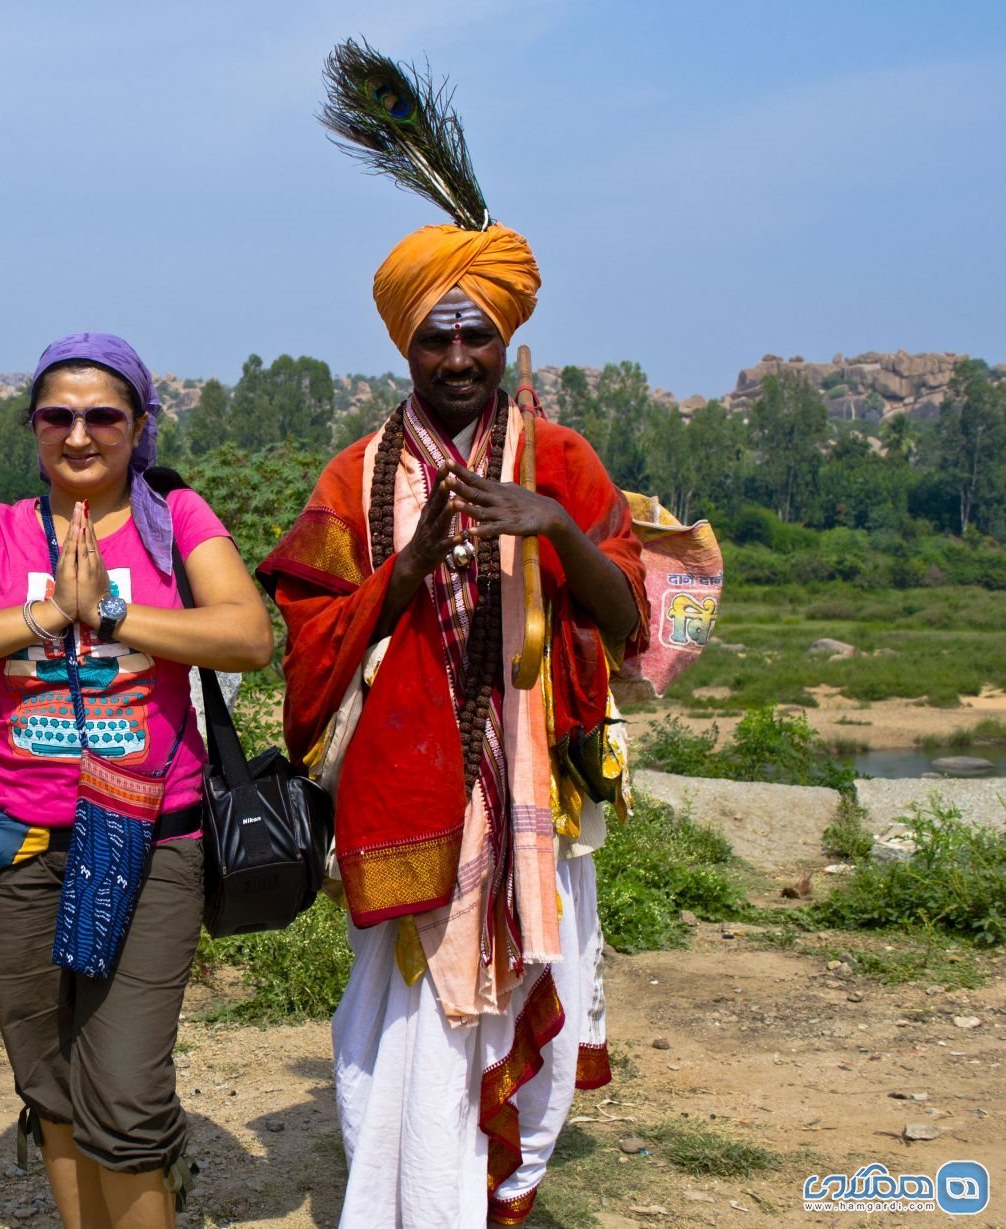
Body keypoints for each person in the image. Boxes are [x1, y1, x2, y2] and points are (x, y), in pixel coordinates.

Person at [257, 224, 649, 1227]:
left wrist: (552, 523)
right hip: (405, 804)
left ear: (504, 336)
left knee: (535, 1038)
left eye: (477, 334)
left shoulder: (558, 458)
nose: (460, 357)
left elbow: (631, 619)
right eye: (437, 337)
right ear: (405, 346)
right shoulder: (355, 477)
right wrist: (410, 563)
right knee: (400, 1041)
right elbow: (306, 648)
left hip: (538, 812)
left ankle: (496, 1195)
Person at [0, 333, 273, 1229]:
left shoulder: (176, 520)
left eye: (102, 415)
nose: (78, 434)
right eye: (56, 416)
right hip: (11, 837)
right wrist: (42, 611)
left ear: (137, 426)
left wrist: (107, 608)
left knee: (129, 1093)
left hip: (150, 840)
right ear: (33, 427)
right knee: (53, 1080)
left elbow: (247, 636)